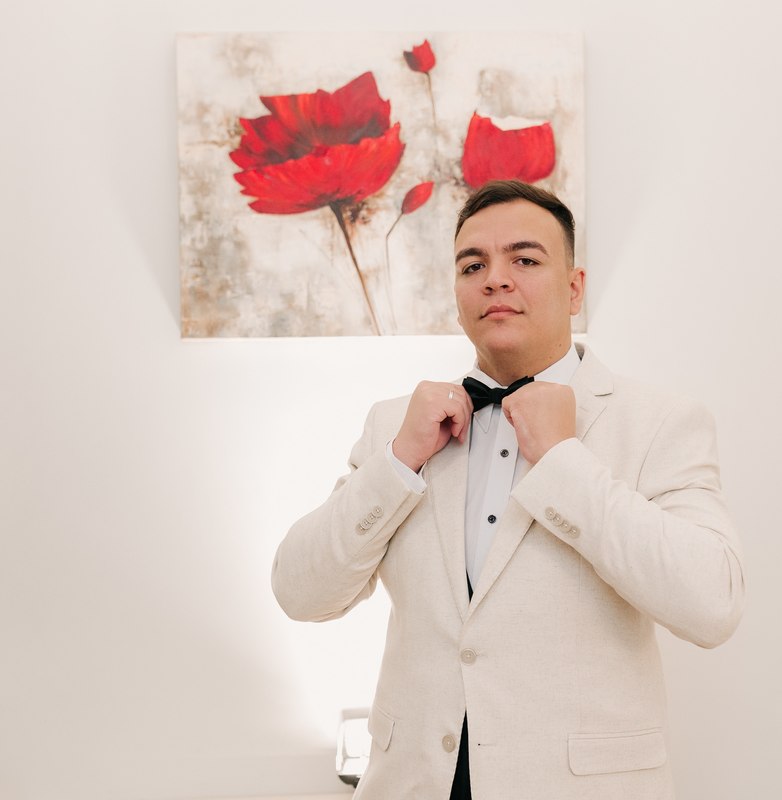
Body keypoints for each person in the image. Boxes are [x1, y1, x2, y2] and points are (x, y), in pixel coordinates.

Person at [272, 180, 746, 800]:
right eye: (473, 265)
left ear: (573, 289)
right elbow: (300, 592)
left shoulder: (659, 423)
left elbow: (713, 604)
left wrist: (563, 463)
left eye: (524, 259)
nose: (495, 279)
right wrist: (398, 463)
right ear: (457, 294)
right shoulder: (396, 425)